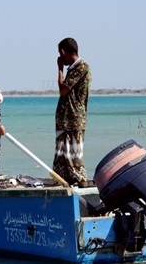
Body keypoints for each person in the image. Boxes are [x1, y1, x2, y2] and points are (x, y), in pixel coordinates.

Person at [53, 37, 91, 187]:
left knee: (74, 154)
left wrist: (59, 69)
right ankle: (65, 181)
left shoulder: (81, 67)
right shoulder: (75, 68)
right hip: (66, 118)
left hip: (73, 118)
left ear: (63, 52)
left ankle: (81, 181)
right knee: (63, 153)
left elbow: (63, 90)